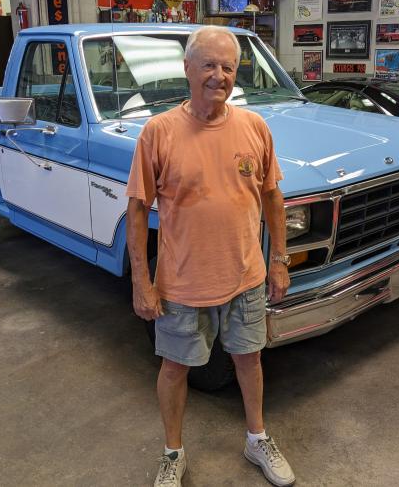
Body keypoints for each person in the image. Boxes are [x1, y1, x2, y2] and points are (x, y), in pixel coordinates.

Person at [125, 25, 295, 487]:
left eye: (228, 67)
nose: (219, 76)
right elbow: (137, 210)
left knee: (249, 359)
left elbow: (273, 199)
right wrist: (142, 280)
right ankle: (172, 452)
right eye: (209, 65)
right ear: (187, 69)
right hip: (181, 283)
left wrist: (278, 260)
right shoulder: (158, 133)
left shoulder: (254, 127)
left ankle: (256, 438)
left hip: (246, 277)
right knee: (175, 368)